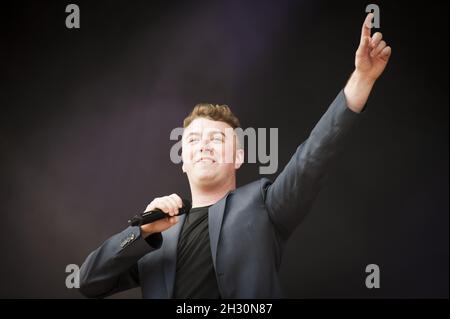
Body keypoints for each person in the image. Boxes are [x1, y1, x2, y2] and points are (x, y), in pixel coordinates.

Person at [79, 13, 391, 298]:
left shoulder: (265, 205)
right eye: (194, 140)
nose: (204, 145)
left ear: (238, 157)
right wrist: (143, 231)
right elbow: (89, 282)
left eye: (216, 138)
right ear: (184, 159)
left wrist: (362, 78)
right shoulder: (157, 234)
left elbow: (313, 158)